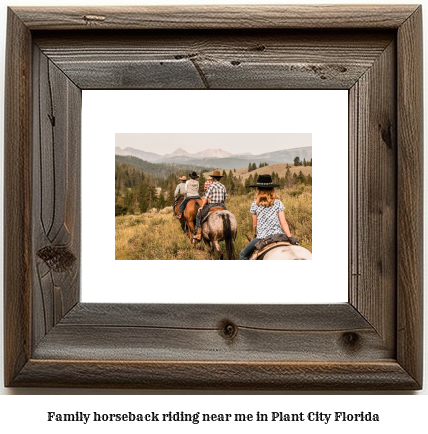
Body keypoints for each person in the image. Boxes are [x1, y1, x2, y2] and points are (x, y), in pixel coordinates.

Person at [240, 174, 293, 260]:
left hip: (262, 237)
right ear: (272, 189)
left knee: (243, 254)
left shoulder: (255, 204)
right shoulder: (278, 203)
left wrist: (257, 233)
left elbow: (255, 225)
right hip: (279, 235)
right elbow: (284, 223)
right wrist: (290, 237)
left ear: (258, 189)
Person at [193, 170, 227, 241]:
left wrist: (201, 207)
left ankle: (199, 235)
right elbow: (224, 199)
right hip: (222, 206)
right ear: (219, 178)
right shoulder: (223, 186)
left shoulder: (211, 186)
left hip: (212, 205)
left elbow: (205, 199)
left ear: (214, 178)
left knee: (198, 216)